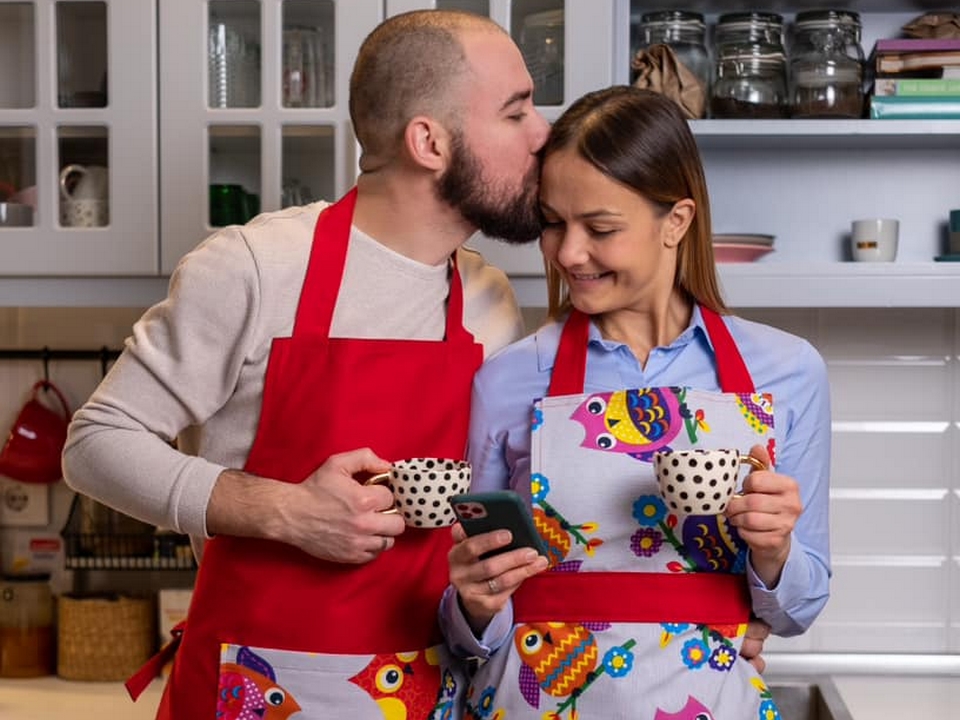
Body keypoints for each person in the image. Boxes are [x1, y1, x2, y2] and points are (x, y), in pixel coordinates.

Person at [61, 10, 549, 720]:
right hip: (250, 687)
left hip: (423, 692)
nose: (542, 133)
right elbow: (95, 444)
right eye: (517, 112)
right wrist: (288, 511)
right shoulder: (258, 266)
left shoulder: (489, 302)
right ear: (429, 141)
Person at [440, 86, 831, 719]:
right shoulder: (509, 378)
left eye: (600, 228)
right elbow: (464, 632)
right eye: (552, 223)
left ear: (676, 221)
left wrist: (775, 551)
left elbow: (798, 611)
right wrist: (474, 604)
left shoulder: (786, 373)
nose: (568, 253)